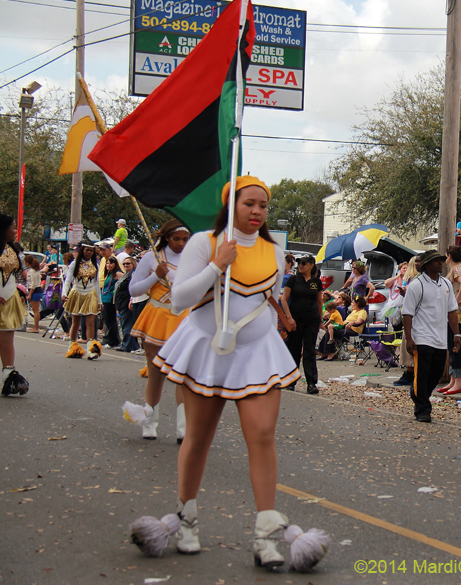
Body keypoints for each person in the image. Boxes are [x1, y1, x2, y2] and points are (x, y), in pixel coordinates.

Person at [128, 176, 327, 569]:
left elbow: (269, 297)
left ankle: (265, 535)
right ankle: (187, 520)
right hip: (209, 350)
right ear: (230, 205)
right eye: (248, 203)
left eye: (263, 205)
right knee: (198, 438)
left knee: (263, 435)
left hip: (257, 353)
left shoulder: (274, 251)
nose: (257, 211)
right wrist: (216, 266)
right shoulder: (205, 243)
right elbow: (179, 300)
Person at [124, 220, 191, 442]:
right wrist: (156, 276)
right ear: (166, 238)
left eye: (185, 239)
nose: (181, 244)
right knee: (156, 373)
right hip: (157, 318)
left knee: (183, 375)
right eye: (176, 239)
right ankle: (150, 423)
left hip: (184, 320)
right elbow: (133, 290)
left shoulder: (193, 258)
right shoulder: (152, 257)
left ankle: (183, 429)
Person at [402, 250, 461, 423]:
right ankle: (422, 410)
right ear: (427, 265)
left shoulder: (446, 283)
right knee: (422, 373)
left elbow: (452, 310)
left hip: (440, 337)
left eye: (441, 260)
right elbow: (407, 313)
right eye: (436, 261)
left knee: (436, 373)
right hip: (421, 337)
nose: (441, 263)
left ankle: (418, 394)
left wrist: (456, 334)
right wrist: (409, 338)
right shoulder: (416, 285)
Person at [0, 212, 29, 396]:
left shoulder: (14, 249)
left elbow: (19, 274)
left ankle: (8, 377)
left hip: (8, 298)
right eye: (13, 228)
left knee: (6, 340)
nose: (16, 231)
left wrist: (21, 292)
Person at [280, 255, 322, 394]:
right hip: (295, 318)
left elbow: (319, 302)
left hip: (311, 319)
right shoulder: (293, 279)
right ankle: (291, 381)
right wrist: (289, 318)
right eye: (299, 263)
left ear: (311, 265)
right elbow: (284, 299)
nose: (301, 266)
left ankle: (311, 383)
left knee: (309, 350)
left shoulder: (316, 282)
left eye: (304, 263)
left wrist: (320, 320)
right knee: (294, 349)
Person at [436, 246, 461, 396]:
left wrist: (456, 299)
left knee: (454, 346)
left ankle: (458, 382)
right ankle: (453, 380)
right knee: (451, 345)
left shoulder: (457, 269)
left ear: (449, 256)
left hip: (458, 312)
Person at [61, 241, 103, 360]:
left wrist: (99, 301)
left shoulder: (95, 265)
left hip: (91, 294)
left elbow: (96, 284)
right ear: (82, 251)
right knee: (75, 322)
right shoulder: (75, 264)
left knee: (90, 322)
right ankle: (72, 346)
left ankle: (91, 349)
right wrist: (64, 293)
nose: (89, 252)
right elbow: (68, 280)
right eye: (87, 250)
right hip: (77, 293)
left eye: (91, 250)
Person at [393, 257, 420, 386]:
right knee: (409, 343)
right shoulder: (411, 279)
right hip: (411, 313)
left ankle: (411, 373)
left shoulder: (417, 280)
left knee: (411, 344)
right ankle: (410, 373)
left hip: (415, 315)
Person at [318, 295, 368, 360]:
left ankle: (331, 353)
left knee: (331, 332)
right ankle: (323, 352)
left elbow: (359, 321)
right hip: (345, 326)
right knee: (328, 330)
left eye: (353, 302)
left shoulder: (362, 312)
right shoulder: (354, 311)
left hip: (353, 330)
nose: (352, 304)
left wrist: (352, 323)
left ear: (357, 303)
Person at [115, 257, 140, 353]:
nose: (125, 265)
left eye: (128, 263)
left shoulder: (133, 275)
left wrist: (131, 300)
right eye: (124, 264)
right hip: (121, 303)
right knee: (124, 324)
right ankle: (127, 344)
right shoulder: (125, 275)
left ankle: (129, 345)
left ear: (133, 264)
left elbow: (132, 289)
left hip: (127, 303)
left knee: (128, 325)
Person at [100, 256, 124, 348]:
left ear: (115, 264)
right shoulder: (109, 274)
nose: (108, 265)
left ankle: (113, 341)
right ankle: (111, 339)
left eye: (111, 263)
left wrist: (116, 292)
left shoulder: (117, 273)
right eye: (107, 263)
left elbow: (125, 282)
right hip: (105, 299)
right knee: (107, 320)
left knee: (111, 320)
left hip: (110, 300)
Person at [24, 256, 43, 333]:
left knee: (35, 310)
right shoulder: (34, 270)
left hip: (35, 291)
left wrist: (30, 294)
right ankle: (35, 327)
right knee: (35, 310)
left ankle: (36, 327)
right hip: (36, 290)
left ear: (27, 262)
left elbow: (33, 284)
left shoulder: (32, 271)